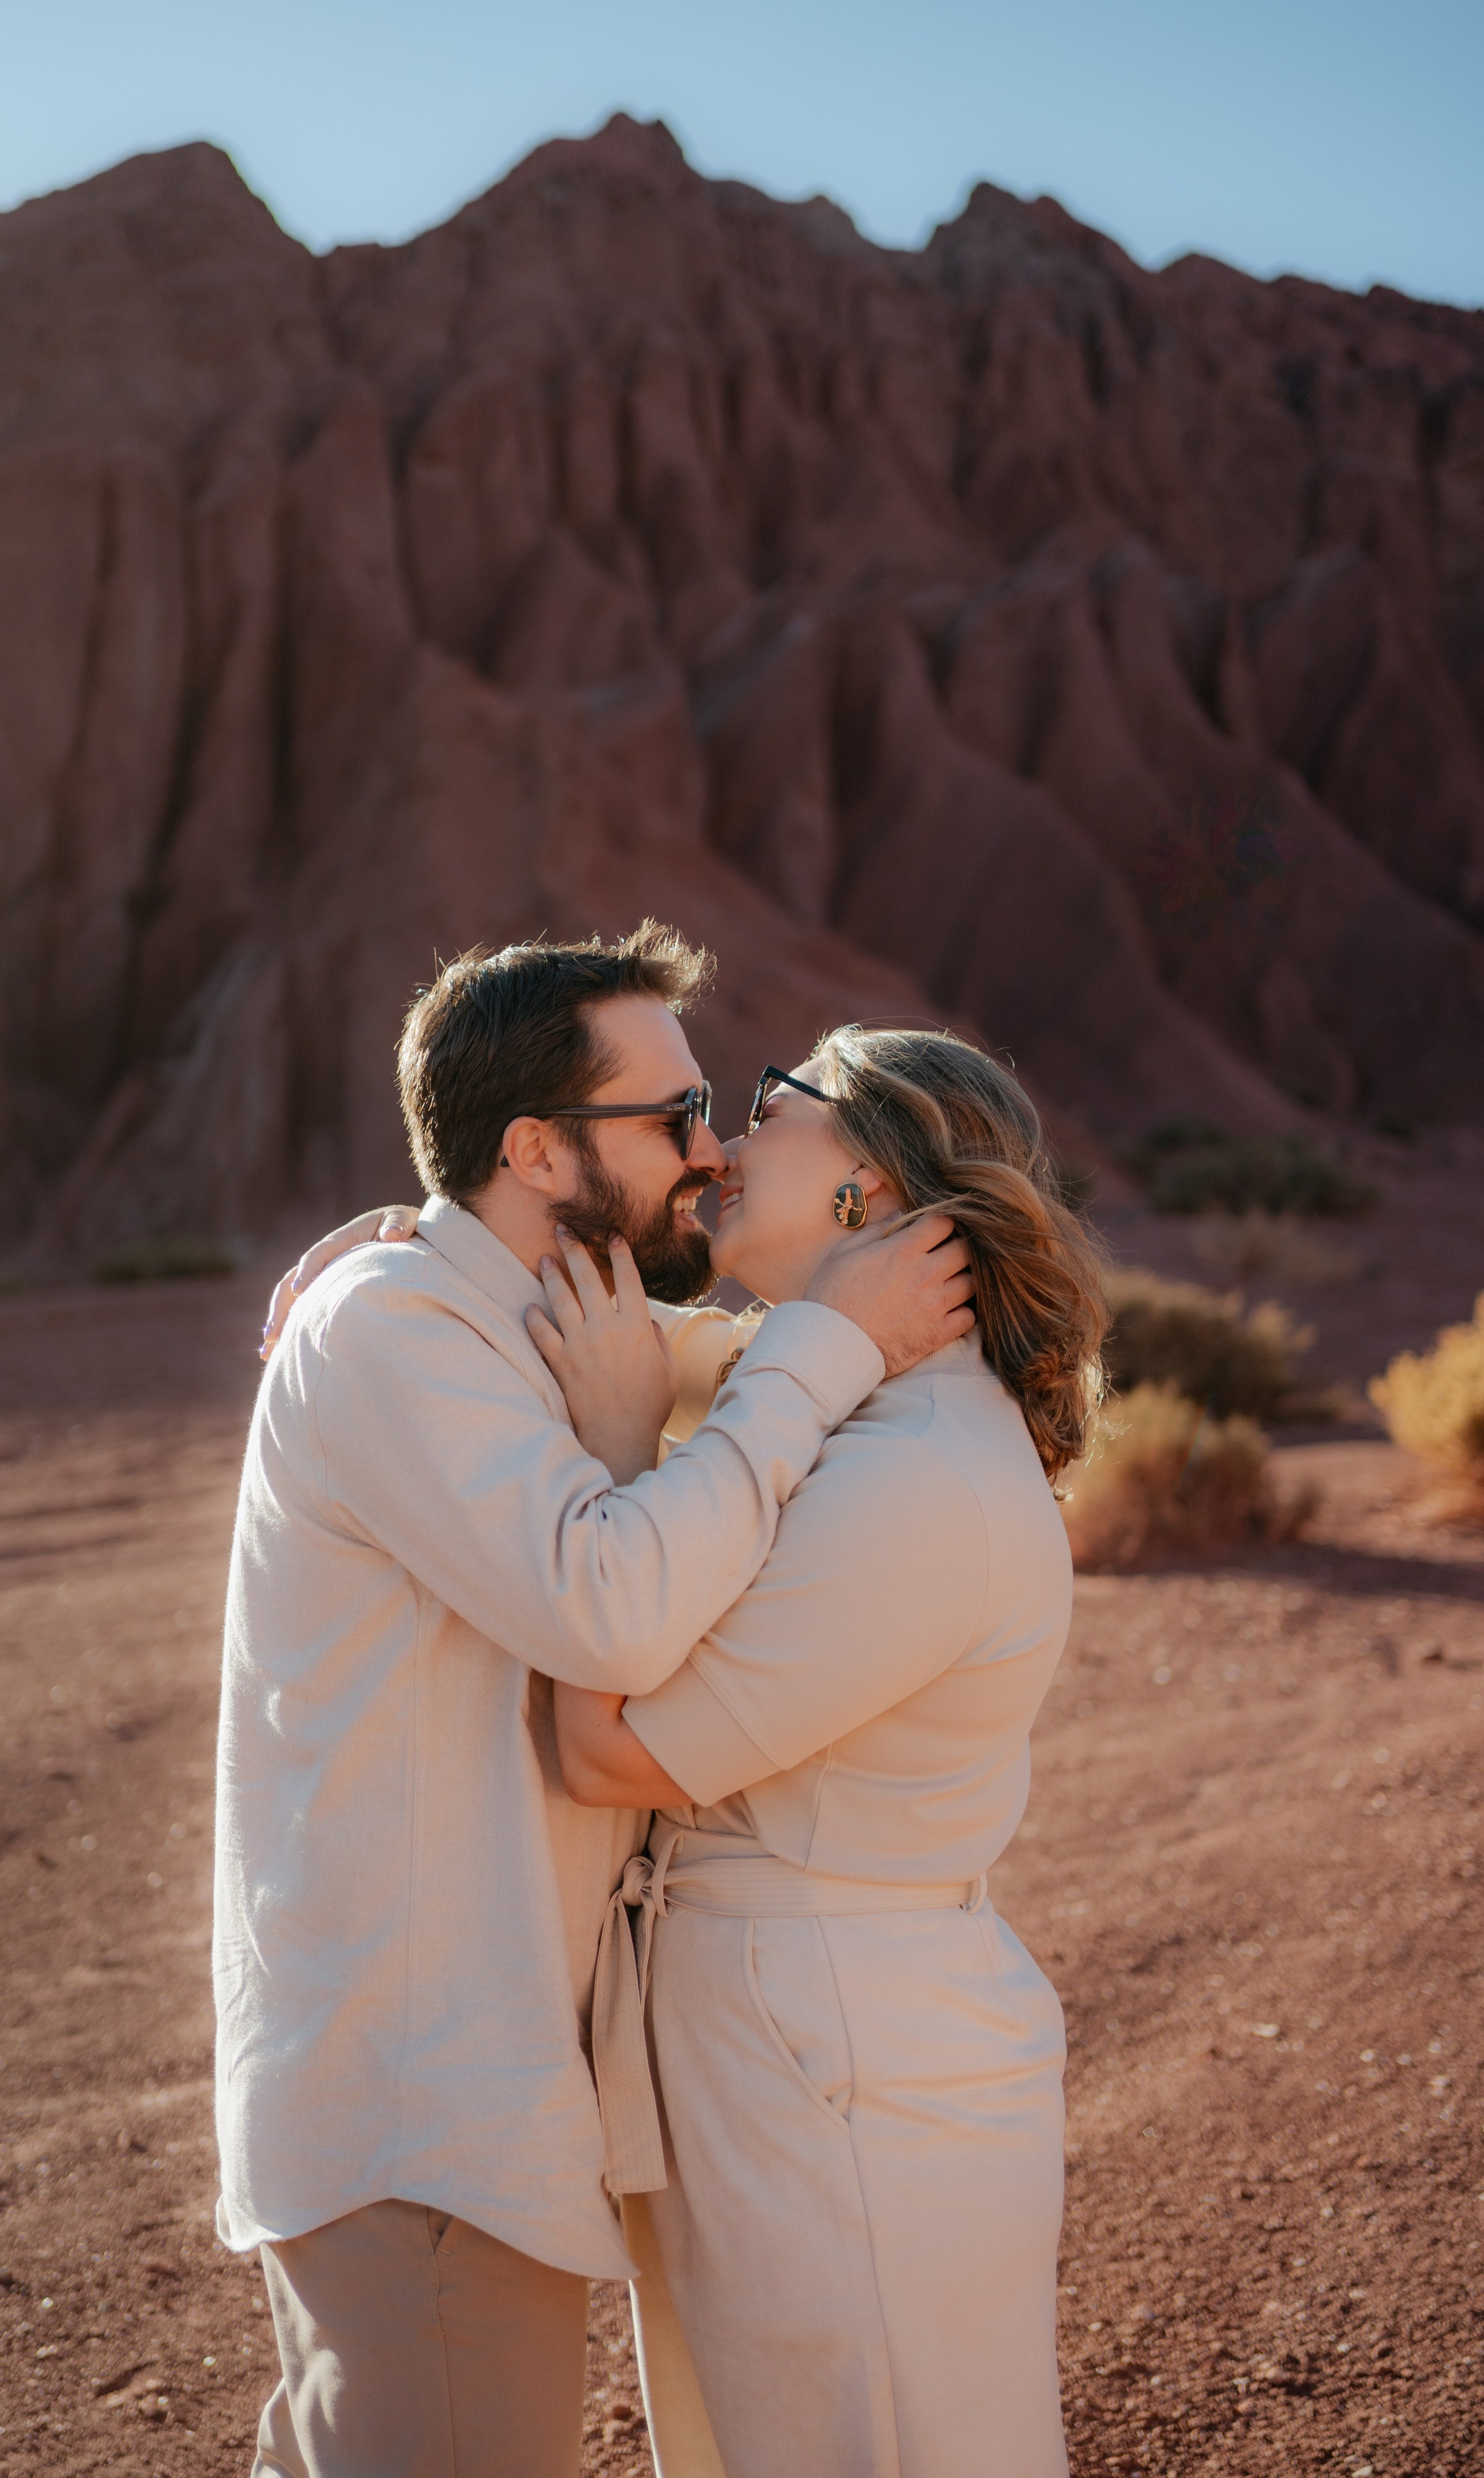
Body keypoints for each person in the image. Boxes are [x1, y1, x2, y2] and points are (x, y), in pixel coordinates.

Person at [213, 924, 977, 2478]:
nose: (708, 1154)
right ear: (536, 1148)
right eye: (673, 1119)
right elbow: (611, 1602)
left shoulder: (514, 1313)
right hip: (421, 2115)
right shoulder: (391, 1335)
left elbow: (740, 1353)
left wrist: (799, 1337)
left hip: (460, 2109)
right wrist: (796, 1362)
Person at [544, 1027, 1109, 2478]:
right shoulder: (842, 1394)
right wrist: (394, 1252)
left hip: (833, 2069)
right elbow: (566, 1328)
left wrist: (611, 1477)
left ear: (866, 1182)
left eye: (758, 1110)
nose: (718, 1147)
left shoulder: (917, 1471)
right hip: (791, 2044)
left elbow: (606, 1754)